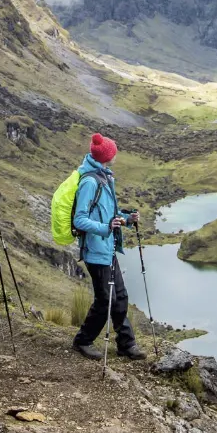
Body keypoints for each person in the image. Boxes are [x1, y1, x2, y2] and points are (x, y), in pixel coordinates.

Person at [72, 133, 146, 361]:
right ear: (107, 156)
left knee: (120, 296)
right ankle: (83, 340)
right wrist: (105, 228)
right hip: (95, 251)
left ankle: (126, 343)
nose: (116, 155)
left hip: (107, 248)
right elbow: (79, 219)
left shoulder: (105, 178)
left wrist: (126, 218)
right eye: (114, 152)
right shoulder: (90, 182)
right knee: (106, 300)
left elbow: (109, 215)